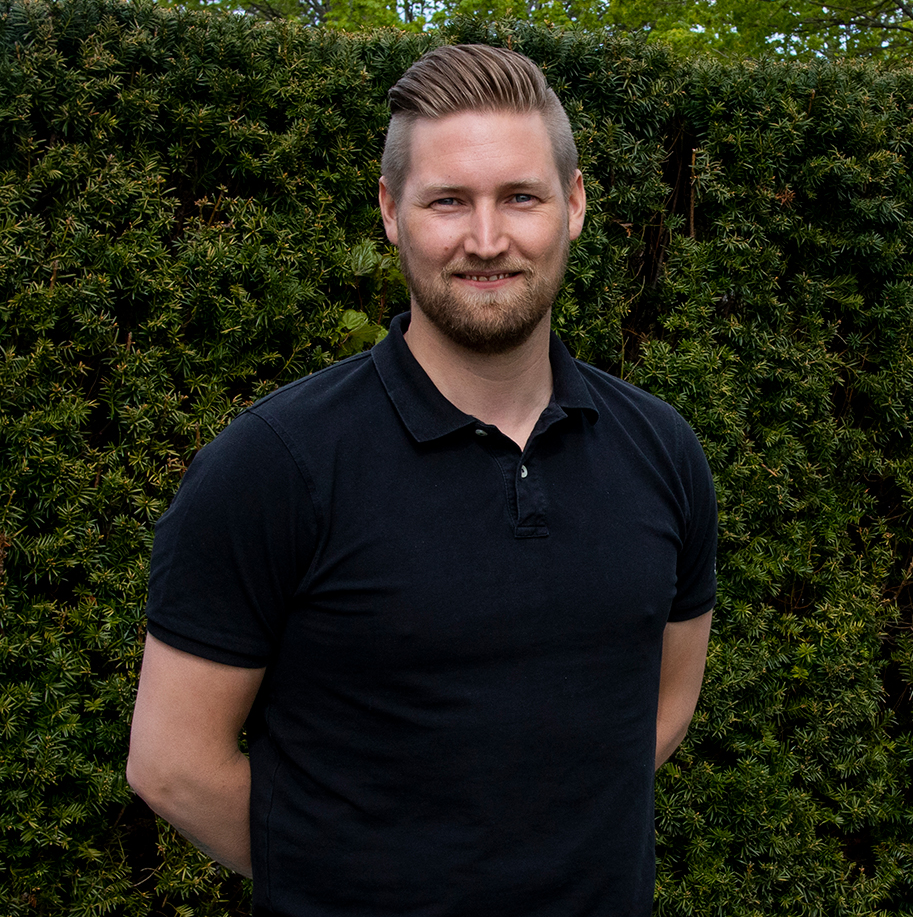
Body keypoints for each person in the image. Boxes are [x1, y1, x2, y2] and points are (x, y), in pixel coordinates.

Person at [127, 44, 717, 917]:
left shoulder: (661, 450)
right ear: (391, 212)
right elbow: (173, 765)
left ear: (574, 204)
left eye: (520, 197)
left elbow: (664, 704)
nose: (487, 239)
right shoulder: (275, 464)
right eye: (448, 201)